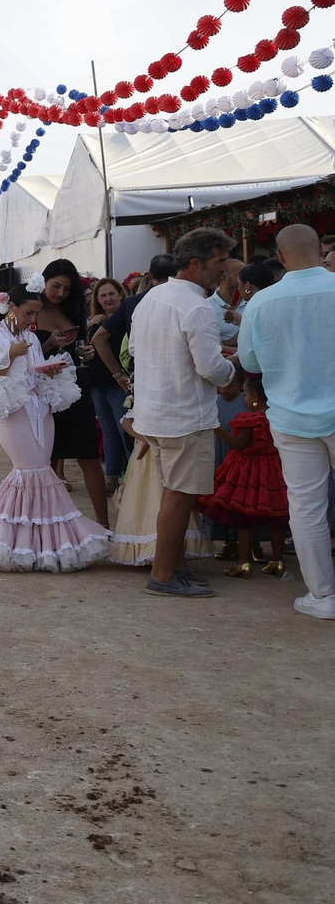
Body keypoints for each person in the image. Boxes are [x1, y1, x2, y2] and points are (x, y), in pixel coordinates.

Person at [0, 274, 110, 571]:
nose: (32, 319)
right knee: (29, 472)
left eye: (36, 313)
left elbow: (32, 371)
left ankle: (38, 544)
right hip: (13, 414)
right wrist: (9, 354)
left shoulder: (32, 337)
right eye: (28, 312)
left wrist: (48, 369)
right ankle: (9, 541)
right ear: (11, 308)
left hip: (40, 411)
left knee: (40, 471)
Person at [129, 227, 240, 598]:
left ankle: (174, 567)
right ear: (195, 264)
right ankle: (163, 575)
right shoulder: (195, 305)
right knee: (179, 496)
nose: (225, 269)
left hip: (156, 413)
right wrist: (234, 368)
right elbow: (210, 367)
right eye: (220, 261)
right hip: (183, 414)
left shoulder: (152, 298)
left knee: (173, 495)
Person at [234, 222, 335, 619]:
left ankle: (323, 597)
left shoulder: (261, 302)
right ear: (319, 250)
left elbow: (251, 360)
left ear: (279, 257)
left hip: (291, 414)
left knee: (306, 508)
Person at [36, 259, 109, 527]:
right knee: (41, 461)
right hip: (40, 394)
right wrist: (49, 344)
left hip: (74, 389)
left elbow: (79, 349)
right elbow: (10, 357)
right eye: (56, 286)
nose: (61, 294)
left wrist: (84, 352)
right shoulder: (25, 309)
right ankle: (48, 527)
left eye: (67, 288)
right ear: (43, 282)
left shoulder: (74, 310)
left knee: (89, 456)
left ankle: (104, 524)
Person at [109, 389, 214, 568]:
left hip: (168, 448)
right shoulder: (145, 394)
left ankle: (170, 552)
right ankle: (151, 550)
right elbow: (127, 421)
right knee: (148, 497)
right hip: (147, 457)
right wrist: (147, 439)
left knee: (168, 496)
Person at [200, 375, 289, 578]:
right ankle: (278, 560)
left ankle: (243, 563)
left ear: (255, 397)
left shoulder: (250, 419)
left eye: (246, 394)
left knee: (245, 517)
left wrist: (217, 428)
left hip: (249, 471)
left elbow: (240, 445)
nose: (245, 399)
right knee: (277, 516)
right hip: (275, 469)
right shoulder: (278, 417)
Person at [92, 253, 177, 393]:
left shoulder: (132, 303)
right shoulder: (184, 300)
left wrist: (118, 375)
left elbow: (98, 338)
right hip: (177, 379)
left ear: (150, 275)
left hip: (143, 380)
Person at [85, 278, 131, 489]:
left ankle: (132, 477)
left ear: (120, 294)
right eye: (102, 295)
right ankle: (111, 476)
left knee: (125, 430)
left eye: (111, 293)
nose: (108, 298)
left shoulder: (127, 318)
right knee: (109, 431)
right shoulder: (95, 321)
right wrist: (89, 326)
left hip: (118, 383)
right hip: (98, 383)